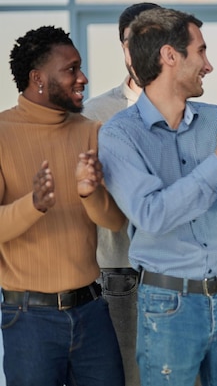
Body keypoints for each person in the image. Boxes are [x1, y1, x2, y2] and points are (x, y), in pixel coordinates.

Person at [98, 7, 217, 386]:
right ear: (170, 56)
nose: (209, 65)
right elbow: (152, 215)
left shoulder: (213, 119)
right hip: (167, 305)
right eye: (201, 51)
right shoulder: (119, 135)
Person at [0, 26, 125, 385]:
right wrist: (34, 205)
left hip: (93, 312)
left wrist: (90, 194)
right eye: (71, 69)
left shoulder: (90, 131)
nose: (82, 78)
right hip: (29, 320)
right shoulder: (2, 133)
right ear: (38, 78)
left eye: (80, 67)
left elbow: (114, 222)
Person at [83, 1, 160, 386]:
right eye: (135, 41)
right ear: (123, 47)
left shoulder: (189, 110)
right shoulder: (95, 113)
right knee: (128, 377)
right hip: (119, 270)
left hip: (174, 270)